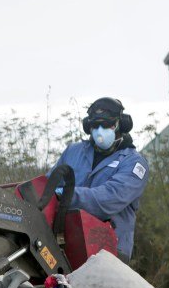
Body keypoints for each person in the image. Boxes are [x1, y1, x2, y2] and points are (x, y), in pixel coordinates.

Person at [49, 97, 149, 260]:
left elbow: (109, 198)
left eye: (106, 124)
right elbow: (48, 186)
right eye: (95, 125)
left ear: (120, 124)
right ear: (88, 127)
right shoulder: (73, 152)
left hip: (109, 249)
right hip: (66, 241)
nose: (100, 130)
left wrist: (66, 195)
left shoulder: (134, 163)